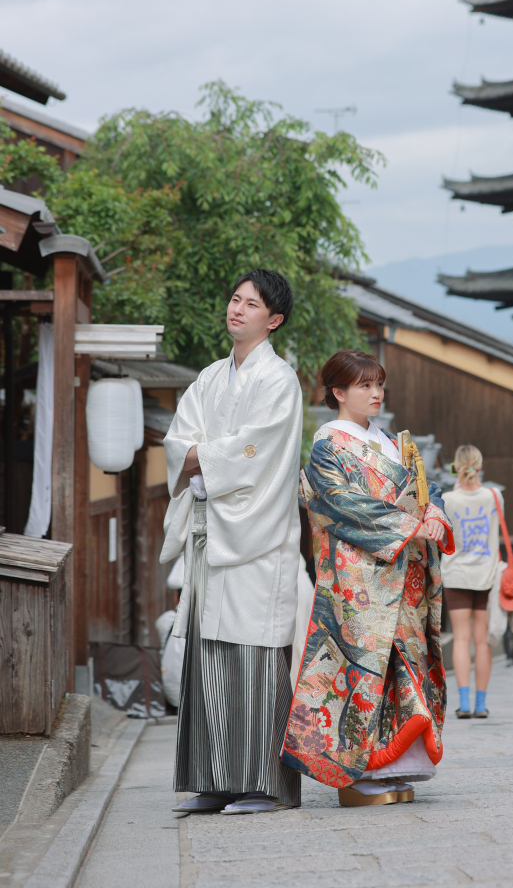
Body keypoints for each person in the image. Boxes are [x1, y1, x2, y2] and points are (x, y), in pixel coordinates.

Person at [283, 350, 455, 807]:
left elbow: (426, 485)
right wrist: (411, 525)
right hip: (357, 577)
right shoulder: (328, 446)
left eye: (379, 383)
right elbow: (341, 504)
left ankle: (395, 765)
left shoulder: (394, 443)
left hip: (405, 571)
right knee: (362, 667)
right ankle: (358, 772)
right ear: (338, 392)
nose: (376, 393)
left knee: (405, 663)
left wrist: (434, 512)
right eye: (364, 385)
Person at [161, 269, 303, 816]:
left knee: (253, 658)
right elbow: (180, 441)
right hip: (211, 531)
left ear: (275, 319)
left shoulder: (279, 380)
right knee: (208, 657)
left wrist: (203, 457)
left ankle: (265, 786)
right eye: (234, 297)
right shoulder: (210, 377)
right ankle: (213, 780)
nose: (237, 308)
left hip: (255, 539)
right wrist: (202, 457)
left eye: (252, 303)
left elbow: (258, 451)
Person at [440, 445, 500, 719]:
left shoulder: (449, 499)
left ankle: (463, 703)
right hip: (487, 575)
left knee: (461, 639)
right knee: (482, 641)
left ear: (456, 466)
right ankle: (481, 704)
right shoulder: (494, 496)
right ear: (480, 464)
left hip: (457, 574)